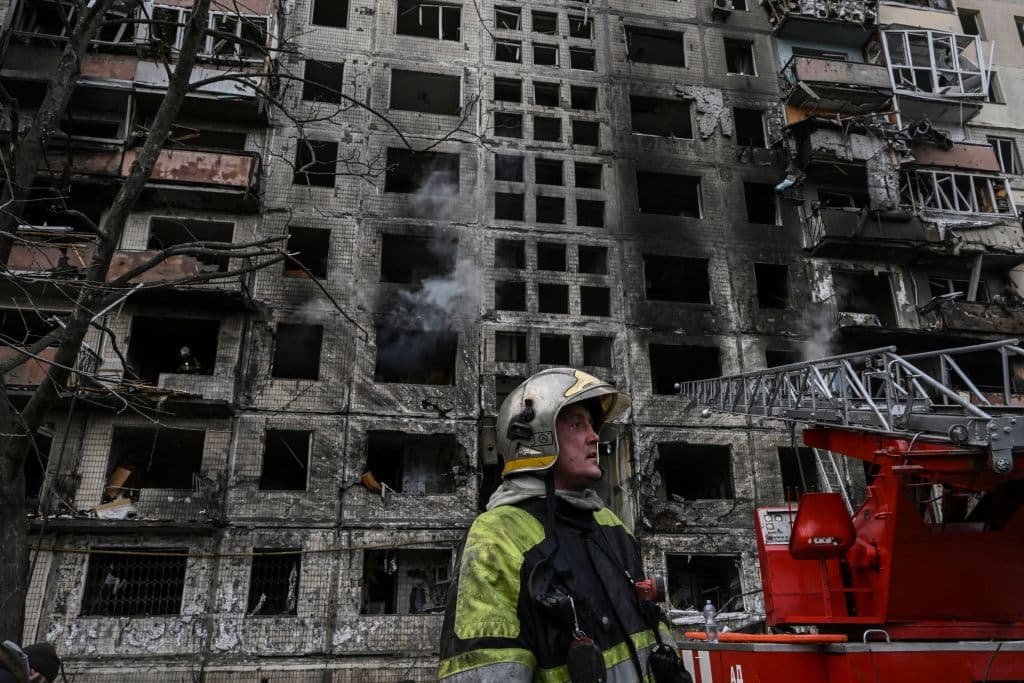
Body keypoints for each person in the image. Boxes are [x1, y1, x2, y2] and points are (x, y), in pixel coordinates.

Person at [438, 368, 687, 682]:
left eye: (593, 425)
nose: (595, 436)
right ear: (536, 437)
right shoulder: (495, 538)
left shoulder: (608, 523)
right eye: (577, 424)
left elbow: (651, 628)